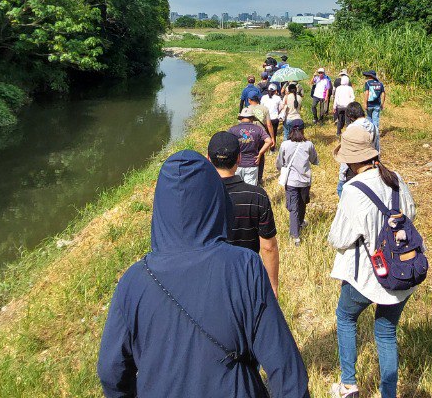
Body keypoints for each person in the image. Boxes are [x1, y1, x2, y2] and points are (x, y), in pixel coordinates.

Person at [98, 149, 306, 398]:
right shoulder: (244, 266)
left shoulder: (133, 281)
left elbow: (111, 371)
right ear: (217, 202)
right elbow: (285, 367)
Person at [327, 124, 416, 398]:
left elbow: (339, 238)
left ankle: (349, 385)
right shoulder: (396, 179)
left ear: (352, 160)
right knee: (386, 333)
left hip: (367, 274)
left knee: (345, 317)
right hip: (402, 271)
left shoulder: (354, 190)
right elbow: (410, 215)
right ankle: (387, 393)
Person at [208, 131, 281, 294]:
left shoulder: (200, 195)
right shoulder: (257, 196)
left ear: (208, 158)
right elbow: (268, 247)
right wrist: (273, 285)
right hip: (247, 275)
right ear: (239, 159)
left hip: (211, 277)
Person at [277, 122, 319, 245]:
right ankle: (300, 222)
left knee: (293, 207)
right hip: (305, 181)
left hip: (291, 181)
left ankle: (295, 235)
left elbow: (280, 162)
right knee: (303, 203)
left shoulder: (285, 144)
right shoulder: (308, 145)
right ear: (303, 130)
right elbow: (314, 159)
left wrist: (281, 169)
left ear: (290, 131)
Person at [336, 103, 380, 196]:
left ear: (350, 116)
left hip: (354, 168)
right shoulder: (374, 127)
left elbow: (347, 155)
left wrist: (342, 176)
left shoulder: (352, 129)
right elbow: (377, 150)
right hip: (369, 167)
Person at [229, 108, 273, 186]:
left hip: (237, 164)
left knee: (237, 188)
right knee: (250, 190)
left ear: (241, 118)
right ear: (252, 118)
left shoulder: (233, 130)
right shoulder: (258, 129)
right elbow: (269, 141)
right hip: (252, 163)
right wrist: (260, 153)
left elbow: (226, 143)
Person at [333, 71, 356, 138]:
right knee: (348, 121)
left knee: (340, 120)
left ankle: (338, 132)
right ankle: (348, 134)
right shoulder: (349, 88)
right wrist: (350, 103)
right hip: (347, 107)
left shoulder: (338, 88)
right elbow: (353, 97)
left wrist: (334, 107)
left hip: (339, 107)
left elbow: (336, 98)